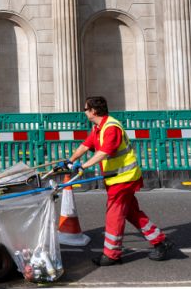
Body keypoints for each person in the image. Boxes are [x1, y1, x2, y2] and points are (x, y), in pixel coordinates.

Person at [58, 96, 173, 266]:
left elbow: (104, 152)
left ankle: (112, 254)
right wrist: (70, 160)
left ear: (93, 111)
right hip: (118, 179)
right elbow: (85, 145)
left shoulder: (111, 128)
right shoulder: (99, 127)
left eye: (85, 109)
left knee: (114, 215)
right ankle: (160, 241)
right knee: (132, 213)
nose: (83, 112)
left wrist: (84, 165)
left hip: (123, 179)